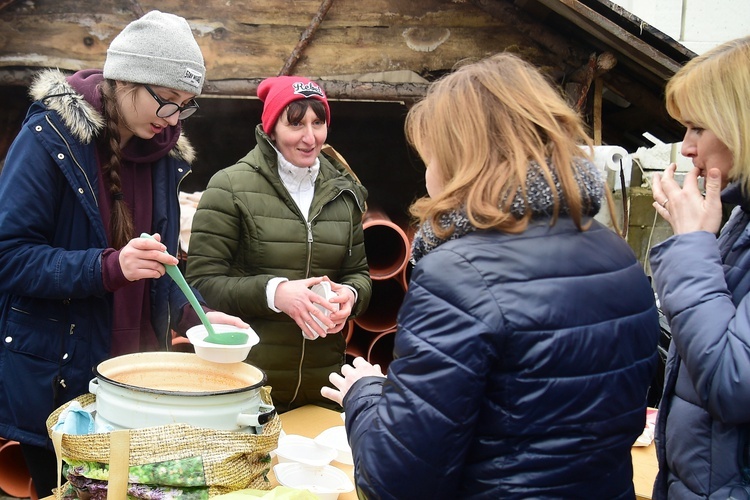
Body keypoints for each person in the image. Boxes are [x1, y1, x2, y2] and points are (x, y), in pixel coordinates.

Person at [320, 52, 660, 499]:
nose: (427, 175)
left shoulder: (458, 276)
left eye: (431, 157)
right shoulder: (616, 254)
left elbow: (397, 483)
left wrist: (365, 396)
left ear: (460, 160)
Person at [0, 11, 249, 497]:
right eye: (168, 101)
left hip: (134, 385)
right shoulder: (49, 139)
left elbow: (159, 266)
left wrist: (193, 316)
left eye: (186, 106)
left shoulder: (166, 157)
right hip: (59, 382)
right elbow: (9, 256)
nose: (174, 118)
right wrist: (107, 267)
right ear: (127, 80)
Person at [186, 75, 371, 414]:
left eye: (319, 122)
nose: (309, 136)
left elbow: (358, 273)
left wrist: (352, 296)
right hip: (249, 385)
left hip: (322, 386)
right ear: (270, 127)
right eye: (296, 123)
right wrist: (276, 294)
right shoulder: (229, 187)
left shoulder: (343, 193)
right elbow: (202, 284)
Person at [648, 35, 750, 499]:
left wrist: (692, 246)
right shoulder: (741, 218)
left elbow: (731, 382)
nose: (686, 148)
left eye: (697, 128)